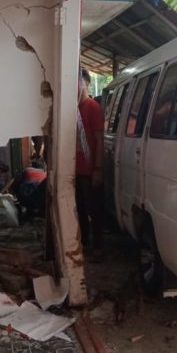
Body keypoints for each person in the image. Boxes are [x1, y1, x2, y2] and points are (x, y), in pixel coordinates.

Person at [75, 68, 105, 260]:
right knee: (80, 208)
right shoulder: (74, 110)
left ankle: (98, 246)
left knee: (94, 210)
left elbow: (100, 140)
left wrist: (98, 169)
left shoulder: (93, 108)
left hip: (90, 170)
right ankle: (84, 243)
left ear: (83, 83)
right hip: (77, 169)